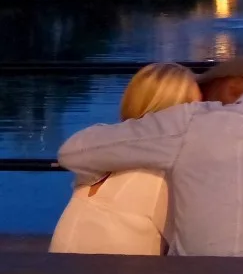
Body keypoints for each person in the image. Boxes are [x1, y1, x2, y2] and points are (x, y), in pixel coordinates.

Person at [57, 57, 243, 258]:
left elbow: (74, 151)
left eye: (205, 92)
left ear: (231, 88)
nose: (204, 102)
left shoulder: (193, 122)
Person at [50, 62, 201, 255]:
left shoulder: (103, 153)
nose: (204, 115)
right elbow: (193, 246)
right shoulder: (160, 173)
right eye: (197, 107)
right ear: (178, 115)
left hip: (63, 268)